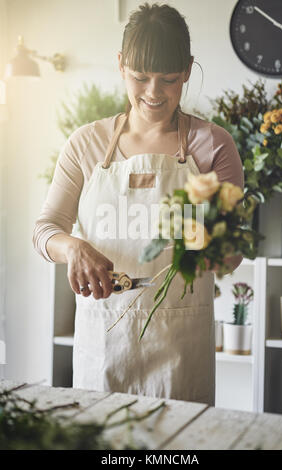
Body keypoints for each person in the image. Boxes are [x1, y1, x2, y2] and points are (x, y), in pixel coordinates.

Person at [32, 2, 244, 406]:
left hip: (180, 355)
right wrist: (73, 248)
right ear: (120, 64)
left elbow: (232, 255)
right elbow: (44, 230)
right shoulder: (86, 144)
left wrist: (211, 248)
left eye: (168, 79)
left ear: (187, 69)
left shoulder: (213, 145)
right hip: (103, 349)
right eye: (140, 77)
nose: (152, 93)